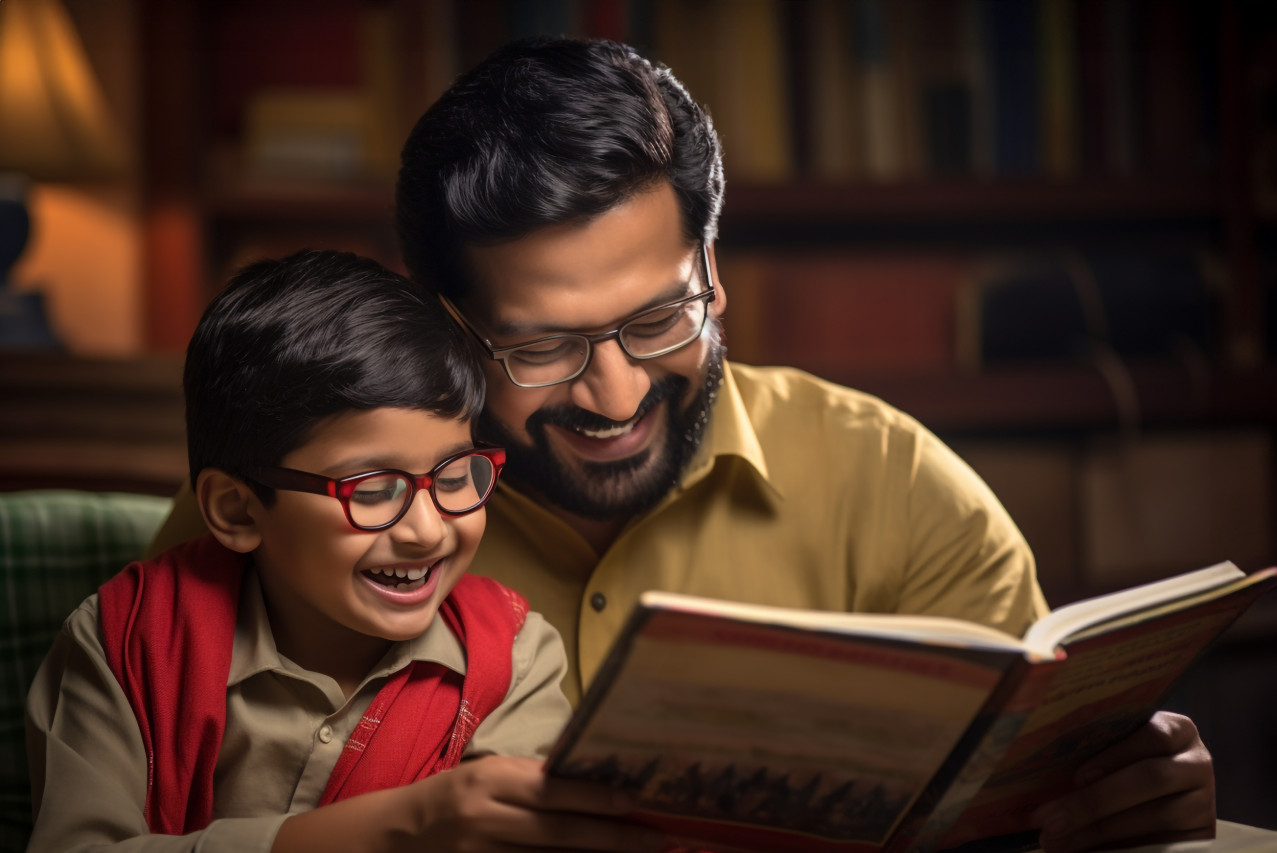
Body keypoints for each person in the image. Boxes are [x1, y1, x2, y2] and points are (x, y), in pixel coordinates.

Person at [147, 38, 1216, 853]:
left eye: (662, 318)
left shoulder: (895, 487)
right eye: (539, 345)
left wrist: (1111, 806)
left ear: (712, 265)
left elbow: (1010, 808)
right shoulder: (282, 497)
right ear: (441, 322)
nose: (614, 394)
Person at [26, 250, 661, 853]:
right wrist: (401, 829)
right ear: (236, 510)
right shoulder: (124, 641)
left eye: (454, 476)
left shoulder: (514, 660)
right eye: (375, 489)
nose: (427, 529)